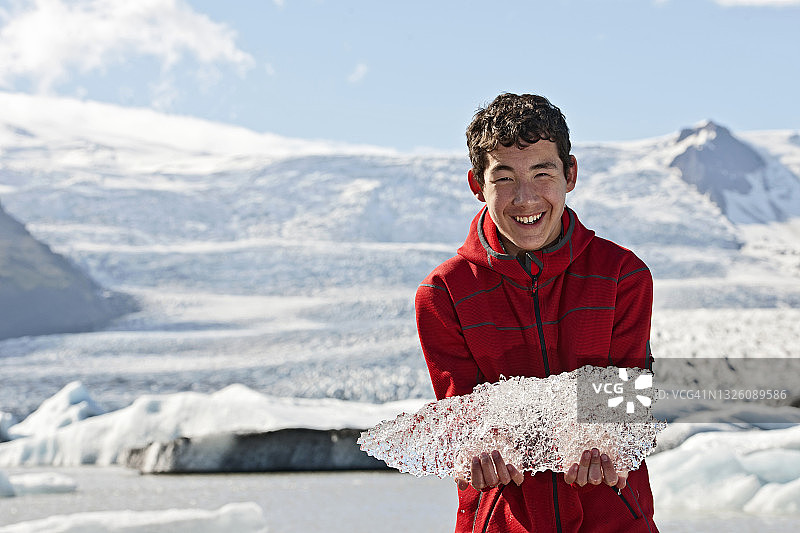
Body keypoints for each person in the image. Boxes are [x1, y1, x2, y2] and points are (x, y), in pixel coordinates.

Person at [415, 93, 657, 532]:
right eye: (504, 177)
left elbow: (626, 401)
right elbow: (461, 413)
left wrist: (605, 436)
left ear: (570, 174)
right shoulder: (444, 293)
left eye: (542, 172)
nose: (525, 198)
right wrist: (478, 443)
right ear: (476, 184)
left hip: (617, 520)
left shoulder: (623, 276)